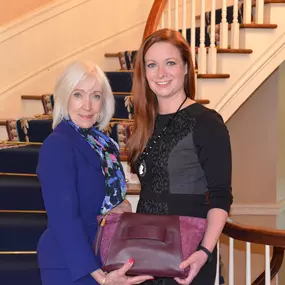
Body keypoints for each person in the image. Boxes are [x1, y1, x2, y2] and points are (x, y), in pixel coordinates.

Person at [127, 28, 233, 285]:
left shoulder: (207, 122)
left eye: (170, 63)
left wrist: (204, 252)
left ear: (186, 67)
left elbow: (221, 197)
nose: (160, 73)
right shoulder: (144, 124)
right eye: (152, 65)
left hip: (188, 256)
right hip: (146, 253)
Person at [37, 61, 153, 285]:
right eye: (78, 95)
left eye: (96, 96)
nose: (87, 106)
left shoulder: (104, 144)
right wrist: (99, 275)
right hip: (73, 264)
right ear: (64, 97)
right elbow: (64, 219)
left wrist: (123, 206)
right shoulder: (58, 145)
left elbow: (107, 200)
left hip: (105, 253)